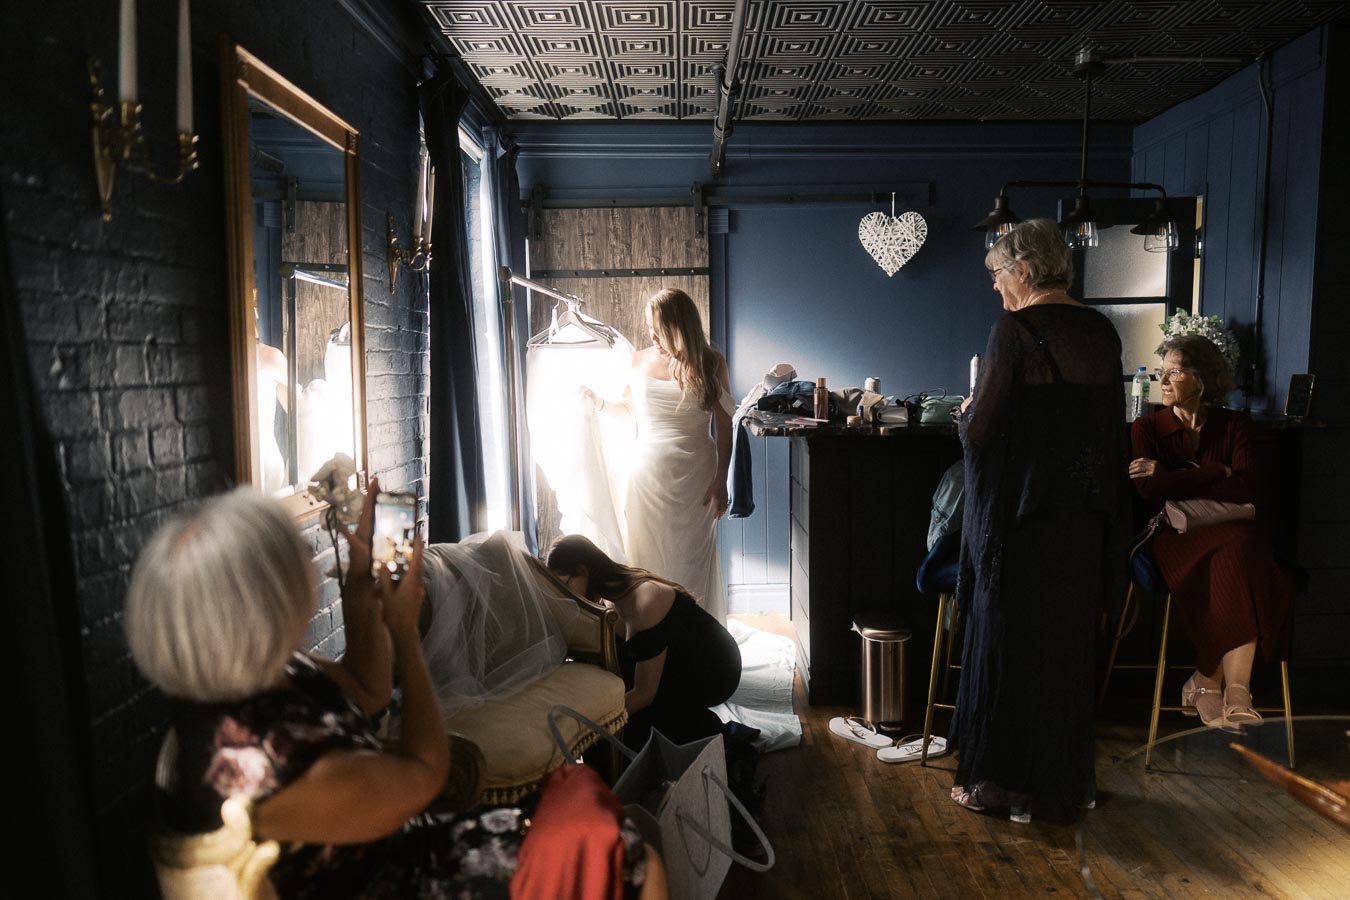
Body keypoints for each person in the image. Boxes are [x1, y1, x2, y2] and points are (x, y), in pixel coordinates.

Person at [126, 483, 654, 899]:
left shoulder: (258, 678)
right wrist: (403, 632)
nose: (307, 573)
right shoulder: (250, 761)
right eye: (295, 568)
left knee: (596, 816)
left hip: (404, 852)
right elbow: (425, 774)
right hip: (406, 878)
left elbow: (368, 692)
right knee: (630, 853)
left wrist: (361, 591)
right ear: (263, 604)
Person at [948, 219, 1129, 823]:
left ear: (1023, 271)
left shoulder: (1016, 330)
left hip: (1022, 522)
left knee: (1013, 650)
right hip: (1083, 524)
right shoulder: (1102, 332)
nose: (996, 288)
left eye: (998, 275)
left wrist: (968, 411)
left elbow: (981, 430)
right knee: (1064, 653)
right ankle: (1061, 785)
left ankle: (1002, 785)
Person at [1128, 333, 1294, 728]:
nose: (1163, 381)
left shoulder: (1234, 424)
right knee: (1246, 550)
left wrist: (1176, 476)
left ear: (1202, 379)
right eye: (1160, 372)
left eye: (1175, 372)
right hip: (1173, 535)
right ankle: (1227, 688)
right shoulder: (1146, 428)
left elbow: (1248, 487)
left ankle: (1217, 684)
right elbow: (1149, 492)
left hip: (1230, 535)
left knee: (1242, 547)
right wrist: (1218, 473)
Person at [587, 288, 734, 622]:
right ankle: (652, 634)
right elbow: (628, 411)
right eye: (648, 326)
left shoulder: (711, 361)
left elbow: (725, 427)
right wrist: (598, 404)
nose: (651, 335)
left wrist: (721, 480)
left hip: (696, 477)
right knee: (647, 562)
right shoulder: (636, 361)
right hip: (647, 479)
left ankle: (694, 638)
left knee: (690, 562)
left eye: (659, 328)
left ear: (679, 327)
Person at [547, 534, 742, 749]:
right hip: (681, 661)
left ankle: (712, 738)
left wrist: (588, 726)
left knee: (633, 727)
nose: (566, 595)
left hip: (717, 670)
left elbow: (644, 694)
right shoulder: (614, 598)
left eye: (565, 584)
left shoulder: (646, 599)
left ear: (583, 571)